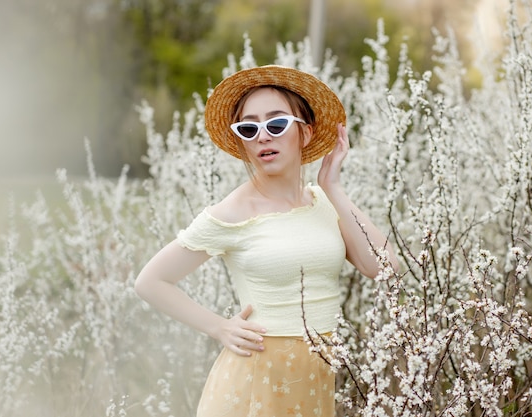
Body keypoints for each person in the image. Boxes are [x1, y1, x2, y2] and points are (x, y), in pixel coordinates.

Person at [134, 65, 399, 417]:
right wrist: (219, 327)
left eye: (276, 124)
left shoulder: (323, 202)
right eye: (249, 128)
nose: (263, 136)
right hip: (253, 382)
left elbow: (384, 268)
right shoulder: (232, 212)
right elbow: (150, 281)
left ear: (305, 134)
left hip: (315, 380)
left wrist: (334, 188)